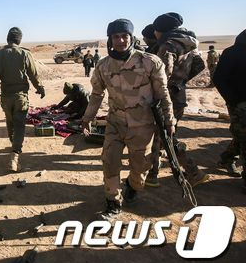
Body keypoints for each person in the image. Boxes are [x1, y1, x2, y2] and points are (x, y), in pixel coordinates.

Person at [82, 18, 175, 220]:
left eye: (125, 36)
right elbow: (97, 94)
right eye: (116, 37)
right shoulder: (103, 66)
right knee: (110, 161)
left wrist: (169, 120)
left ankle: (133, 187)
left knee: (139, 169)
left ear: (132, 37)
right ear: (110, 39)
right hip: (115, 123)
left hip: (143, 127)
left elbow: (162, 93)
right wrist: (87, 117)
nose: (121, 41)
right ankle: (113, 202)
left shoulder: (150, 62)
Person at [149, 12, 209, 186]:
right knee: (162, 134)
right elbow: (199, 66)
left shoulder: (168, 45)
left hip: (165, 97)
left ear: (161, 30)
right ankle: (152, 174)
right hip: (179, 95)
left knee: (164, 135)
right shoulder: (189, 44)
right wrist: (181, 82)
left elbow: (161, 75)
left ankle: (192, 172)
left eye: (156, 30)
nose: (154, 34)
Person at [0, 27, 45, 172]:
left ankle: (14, 143)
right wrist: (40, 88)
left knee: (10, 121)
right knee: (19, 125)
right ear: (19, 40)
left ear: (8, 39)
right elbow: (33, 75)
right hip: (20, 96)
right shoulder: (24, 53)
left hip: (6, 98)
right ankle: (15, 155)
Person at [214, 29, 246, 190]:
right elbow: (219, 78)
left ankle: (227, 158)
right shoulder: (233, 53)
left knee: (241, 135)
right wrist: (233, 100)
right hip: (240, 104)